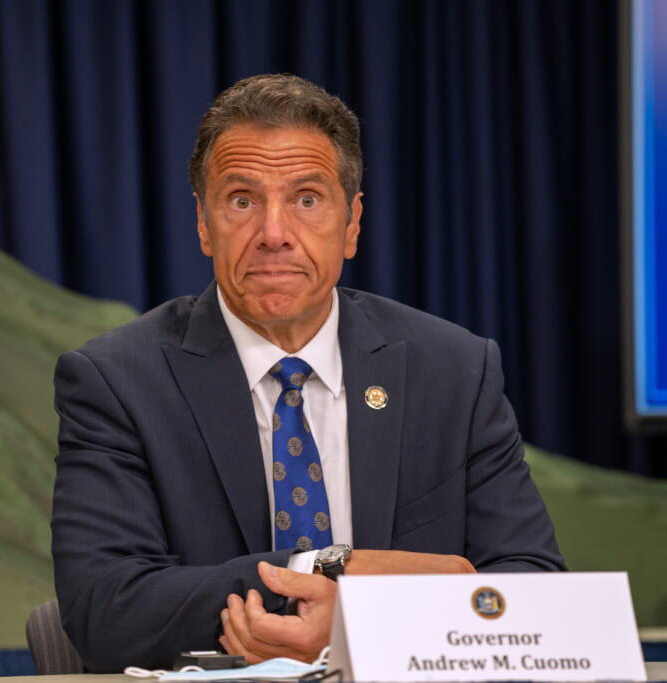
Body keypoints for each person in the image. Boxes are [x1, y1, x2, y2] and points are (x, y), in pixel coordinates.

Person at [50, 73, 565, 674]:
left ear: (352, 224)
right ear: (204, 224)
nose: (274, 235)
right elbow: (106, 610)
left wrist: (361, 622)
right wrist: (321, 570)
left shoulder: (454, 370)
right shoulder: (116, 381)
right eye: (242, 201)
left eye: (307, 200)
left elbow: (534, 591)